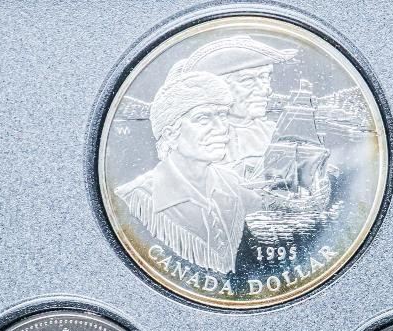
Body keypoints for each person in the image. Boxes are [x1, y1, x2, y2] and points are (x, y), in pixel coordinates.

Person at [115, 70, 261, 274]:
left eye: (222, 115)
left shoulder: (231, 184)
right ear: (170, 134)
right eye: (203, 119)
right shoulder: (135, 199)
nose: (221, 128)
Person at [179, 34, 297, 180]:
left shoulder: (274, 133)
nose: (266, 90)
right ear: (218, 89)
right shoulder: (198, 140)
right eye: (248, 80)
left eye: (265, 78)